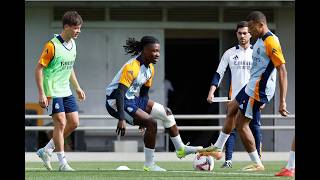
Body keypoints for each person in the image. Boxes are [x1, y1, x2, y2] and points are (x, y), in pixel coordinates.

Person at [199, 11, 289, 172]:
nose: (249, 33)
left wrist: (282, 100)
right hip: (250, 86)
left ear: (261, 25)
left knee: (241, 124)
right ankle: (218, 149)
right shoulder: (258, 41)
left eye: (251, 29)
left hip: (258, 90)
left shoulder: (271, 42)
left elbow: (282, 70)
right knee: (232, 107)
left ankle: (257, 163)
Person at [105, 36, 202, 171]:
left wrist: (142, 116)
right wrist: (121, 118)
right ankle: (149, 165)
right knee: (152, 123)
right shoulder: (131, 67)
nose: (157, 54)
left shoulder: (150, 68)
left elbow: (144, 94)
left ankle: (181, 149)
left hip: (132, 99)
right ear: (144, 51)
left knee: (167, 112)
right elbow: (120, 93)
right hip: (115, 102)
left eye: (158, 51)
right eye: (154, 51)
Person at [207, 21, 262, 168]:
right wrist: (211, 92)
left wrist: (262, 99)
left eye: (245, 33)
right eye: (240, 33)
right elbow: (219, 74)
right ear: (236, 34)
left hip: (252, 97)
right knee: (230, 128)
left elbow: (264, 75)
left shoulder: (257, 52)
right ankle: (228, 160)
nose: (243, 36)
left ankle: (258, 160)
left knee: (255, 127)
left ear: (250, 34)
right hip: (234, 98)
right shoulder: (230, 53)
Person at [35, 11, 86, 171]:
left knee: (74, 123)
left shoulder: (73, 44)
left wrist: (77, 87)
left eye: (80, 28)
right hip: (52, 91)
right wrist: (42, 93)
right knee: (61, 123)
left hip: (66, 90)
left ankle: (46, 150)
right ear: (66, 27)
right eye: (76, 28)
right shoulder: (52, 45)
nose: (78, 31)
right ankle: (62, 163)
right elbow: (38, 69)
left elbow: (69, 68)